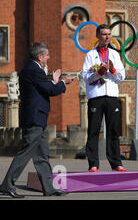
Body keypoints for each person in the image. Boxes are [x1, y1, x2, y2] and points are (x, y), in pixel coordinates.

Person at [0, 42, 74, 198]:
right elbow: (51, 90)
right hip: (34, 118)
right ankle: (7, 184)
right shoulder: (34, 70)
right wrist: (63, 82)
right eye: (47, 55)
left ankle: (49, 188)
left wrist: (54, 80)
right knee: (25, 153)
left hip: (37, 118)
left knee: (42, 155)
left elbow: (44, 87)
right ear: (40, 57)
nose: (48, 58)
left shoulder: (31, 70)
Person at [82, 24, 126, 172]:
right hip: (96, 96)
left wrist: (112, 70)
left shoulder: (114, 54)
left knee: (114, 130)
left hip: (112, 96)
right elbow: (86, 78)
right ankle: (93, 164)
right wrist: (99, 72)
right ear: (98, 36)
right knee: (94, 130)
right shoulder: (90, 55)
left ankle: (116, 163)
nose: (107, 37)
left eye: (109, 34)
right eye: (104, 34)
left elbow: (121, 78)